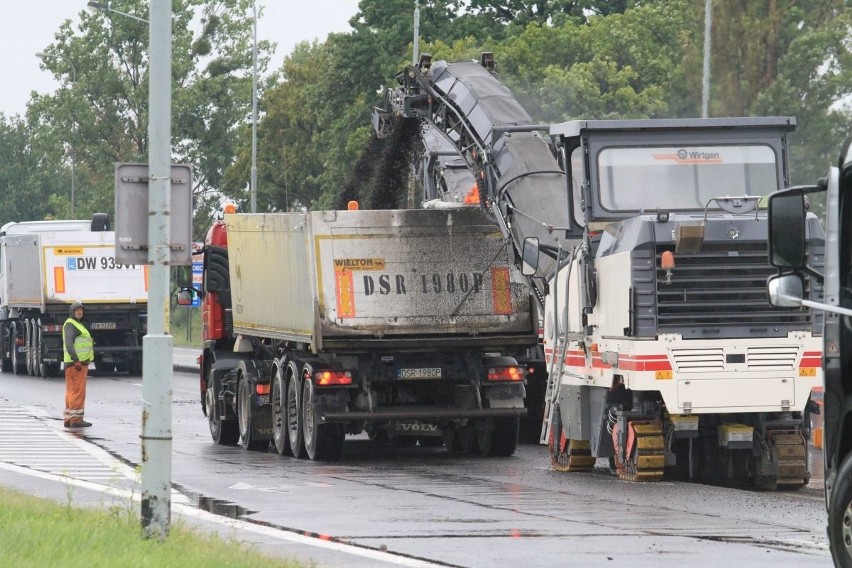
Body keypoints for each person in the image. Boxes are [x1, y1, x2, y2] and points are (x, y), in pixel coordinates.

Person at [63, 301, 94, 428]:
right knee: (78, 391)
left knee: (72, 391)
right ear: (72, 312)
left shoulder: (76, 324)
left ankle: (69, 418)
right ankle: (76, 420)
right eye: (77, 310)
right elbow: (69, 343)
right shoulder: (72, 325)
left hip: (75, 363)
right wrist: (76, 360)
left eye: (81, 310)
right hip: (77, 364)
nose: (80, 312)